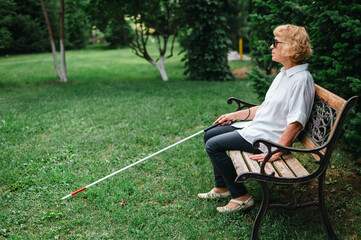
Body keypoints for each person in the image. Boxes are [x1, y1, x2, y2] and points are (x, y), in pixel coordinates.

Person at [198, 24, 315, 213]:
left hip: (266, 139)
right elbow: (266, 108)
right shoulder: (284, 75)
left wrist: (278, 150)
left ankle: (241, 197)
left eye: (276, 43)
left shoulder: (301, 80)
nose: (271, 46)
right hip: (256, 129)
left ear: (291, 46)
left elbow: (296, 122)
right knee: (209, 133)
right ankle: (222, 188)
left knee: (213, 146)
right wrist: (234, 116)